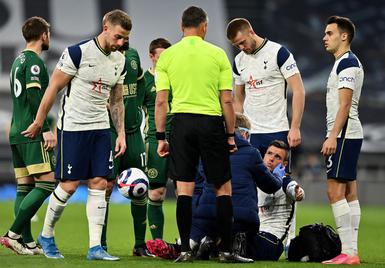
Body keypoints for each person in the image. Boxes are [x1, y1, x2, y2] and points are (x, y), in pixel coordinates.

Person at [21, 9, 130, 261]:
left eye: (125, 38)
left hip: (101, 129)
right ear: (105, 27)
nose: (121, 43)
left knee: (100, 184)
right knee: (68, 186)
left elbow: (116, 100)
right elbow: (54, 87)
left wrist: (121, 133)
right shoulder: (77, 52)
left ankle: (95, 248)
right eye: (118, 37)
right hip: (73, 127)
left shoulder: (119, 60)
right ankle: (46, 235)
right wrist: (39, 121)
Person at [155, 6, 252, 263]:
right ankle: (226, 251)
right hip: (210, 124)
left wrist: (161, 137)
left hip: (181, 124)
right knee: (223, 189)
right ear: (204, 26)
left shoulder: (168, 57)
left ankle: (185, 249)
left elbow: (161, 102)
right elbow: (228, 101)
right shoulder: (217, 54)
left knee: (184, 189)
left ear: (181, 26)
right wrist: (231, 136)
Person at [190, 113, 284, 258]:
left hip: (206, 218)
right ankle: (231, 245)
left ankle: (210, 241)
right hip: (240, 220)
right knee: (272, 248)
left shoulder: (207, 153)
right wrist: (278, 175)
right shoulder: (251, 153)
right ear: (245, 134)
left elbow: (198, 185)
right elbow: (270, 186)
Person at [0, 16, 56, 255]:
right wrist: (43, 128)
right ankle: (12, 234)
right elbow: (35, 97)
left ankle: (28, 241)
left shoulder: (17, 61)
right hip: (31, 131)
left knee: (25, 187)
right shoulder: (34, 62)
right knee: (46, 183)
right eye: (48, 34)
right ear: (44, 35)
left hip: (17, 130)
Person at [101, 39, 153, 257]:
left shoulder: (132, 57)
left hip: (133, 135)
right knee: (104, 187)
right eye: (120, 33)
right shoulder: (101, 58)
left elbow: (140, 83)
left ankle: (140, 245)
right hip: (109, 133)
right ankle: (99, 243)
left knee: (141, 187)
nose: (124, 37)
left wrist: (138, 106)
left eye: (126, 33)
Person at [225, 18, 305, 157]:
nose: (242, 48)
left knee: (278, 178)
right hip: (251, 135)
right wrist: (241, 128)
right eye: (237, 46)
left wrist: (295, 127)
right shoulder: (238, 61)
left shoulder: (279, 53)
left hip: (277, 131)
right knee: (251, 178)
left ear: (251, 32)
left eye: (242, 42)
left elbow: (299, 90)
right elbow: (238, 97)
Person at [320, 16, 363, 265]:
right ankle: (352, 252)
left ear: (343, 36)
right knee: (349, 192)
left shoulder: (347, 63)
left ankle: (347, 251)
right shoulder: (343, 63)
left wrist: (332, 136)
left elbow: (345, 105)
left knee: (334, 191)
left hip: (344, 133)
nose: (324, 38)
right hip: (349, 133)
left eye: (329, 33)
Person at [247, 140, 305, 261]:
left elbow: (293, 188)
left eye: (277, 156)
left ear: (284, 164)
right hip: (256, 235)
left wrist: (298, 193)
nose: (271, 159)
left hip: (271, 242)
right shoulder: (255, 180)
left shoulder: (284, 181)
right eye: (269, 153)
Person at [142, 38, 172, 240]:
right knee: (156, 193)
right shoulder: (144, 81)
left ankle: (189, 241)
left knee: (186, 192)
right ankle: (157, 242)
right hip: (154, 140)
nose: (163, 61)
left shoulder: (177, 78)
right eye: (160, 57)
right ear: (151, 56)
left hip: (180, 139)